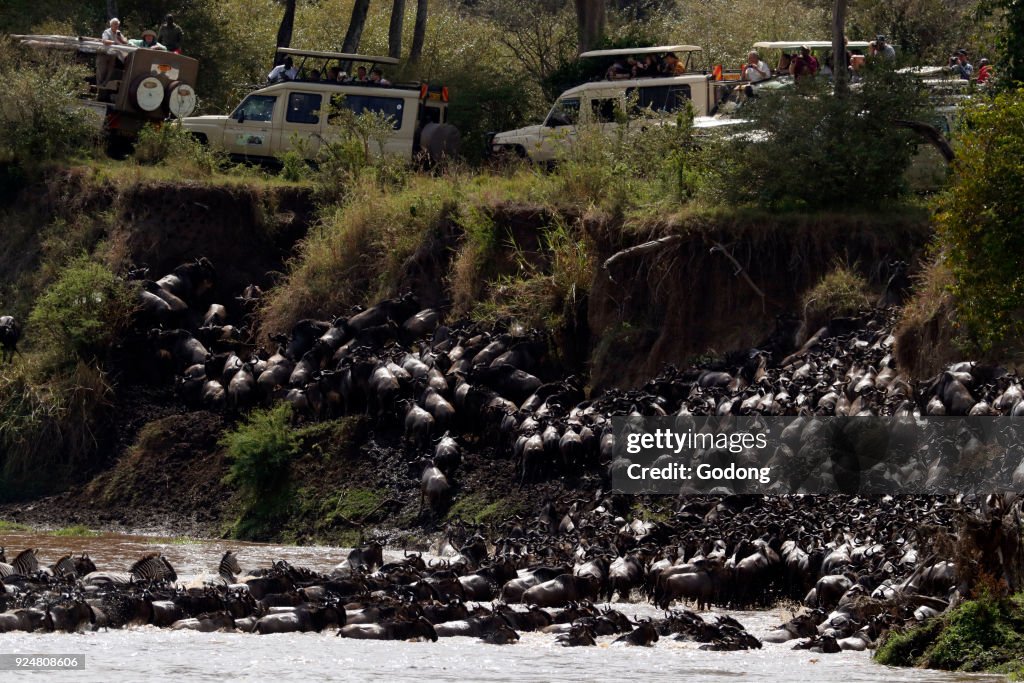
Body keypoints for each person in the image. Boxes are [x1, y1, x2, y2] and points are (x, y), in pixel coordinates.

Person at [97, 18, 128, 87]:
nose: (116, 26)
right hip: (104, 53)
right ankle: (99, 85)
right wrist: (114, 42)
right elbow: (104, 41)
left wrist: (121, 39)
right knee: (102, 70)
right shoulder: (107, 32)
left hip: (113, 54)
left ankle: (105, 85)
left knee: (110, 70)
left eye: (117, 24)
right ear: (111, 25)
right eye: (115, 24)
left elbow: (126, 42)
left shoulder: (118, 32)